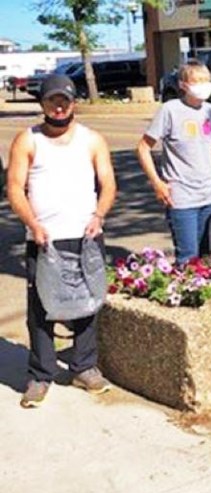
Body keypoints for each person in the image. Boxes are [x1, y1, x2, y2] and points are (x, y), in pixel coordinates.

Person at [6, 74, 117, 408]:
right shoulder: (27, 140)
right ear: (42, 104)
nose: (58, 106)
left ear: (73, 102)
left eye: (64, 100)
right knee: (41, 309)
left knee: (86, 302)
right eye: (52, 100)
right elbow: (14, 188)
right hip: (44, 240)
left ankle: (84, 367)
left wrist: (99, 215)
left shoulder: (91, 139)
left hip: (86, 236)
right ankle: (41, 375)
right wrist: (32, 224)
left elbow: (108, 182)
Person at [137, 59, 211, 264]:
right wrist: (157, 183)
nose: (203, 85)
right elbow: (143, 148)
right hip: (182, 196)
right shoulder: (169, 110)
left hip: (209, 194)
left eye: (206, 80)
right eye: (196, 81)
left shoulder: (210, 111)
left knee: (209, 257)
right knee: (188, 258)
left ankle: (208, 294)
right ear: (183, 85)